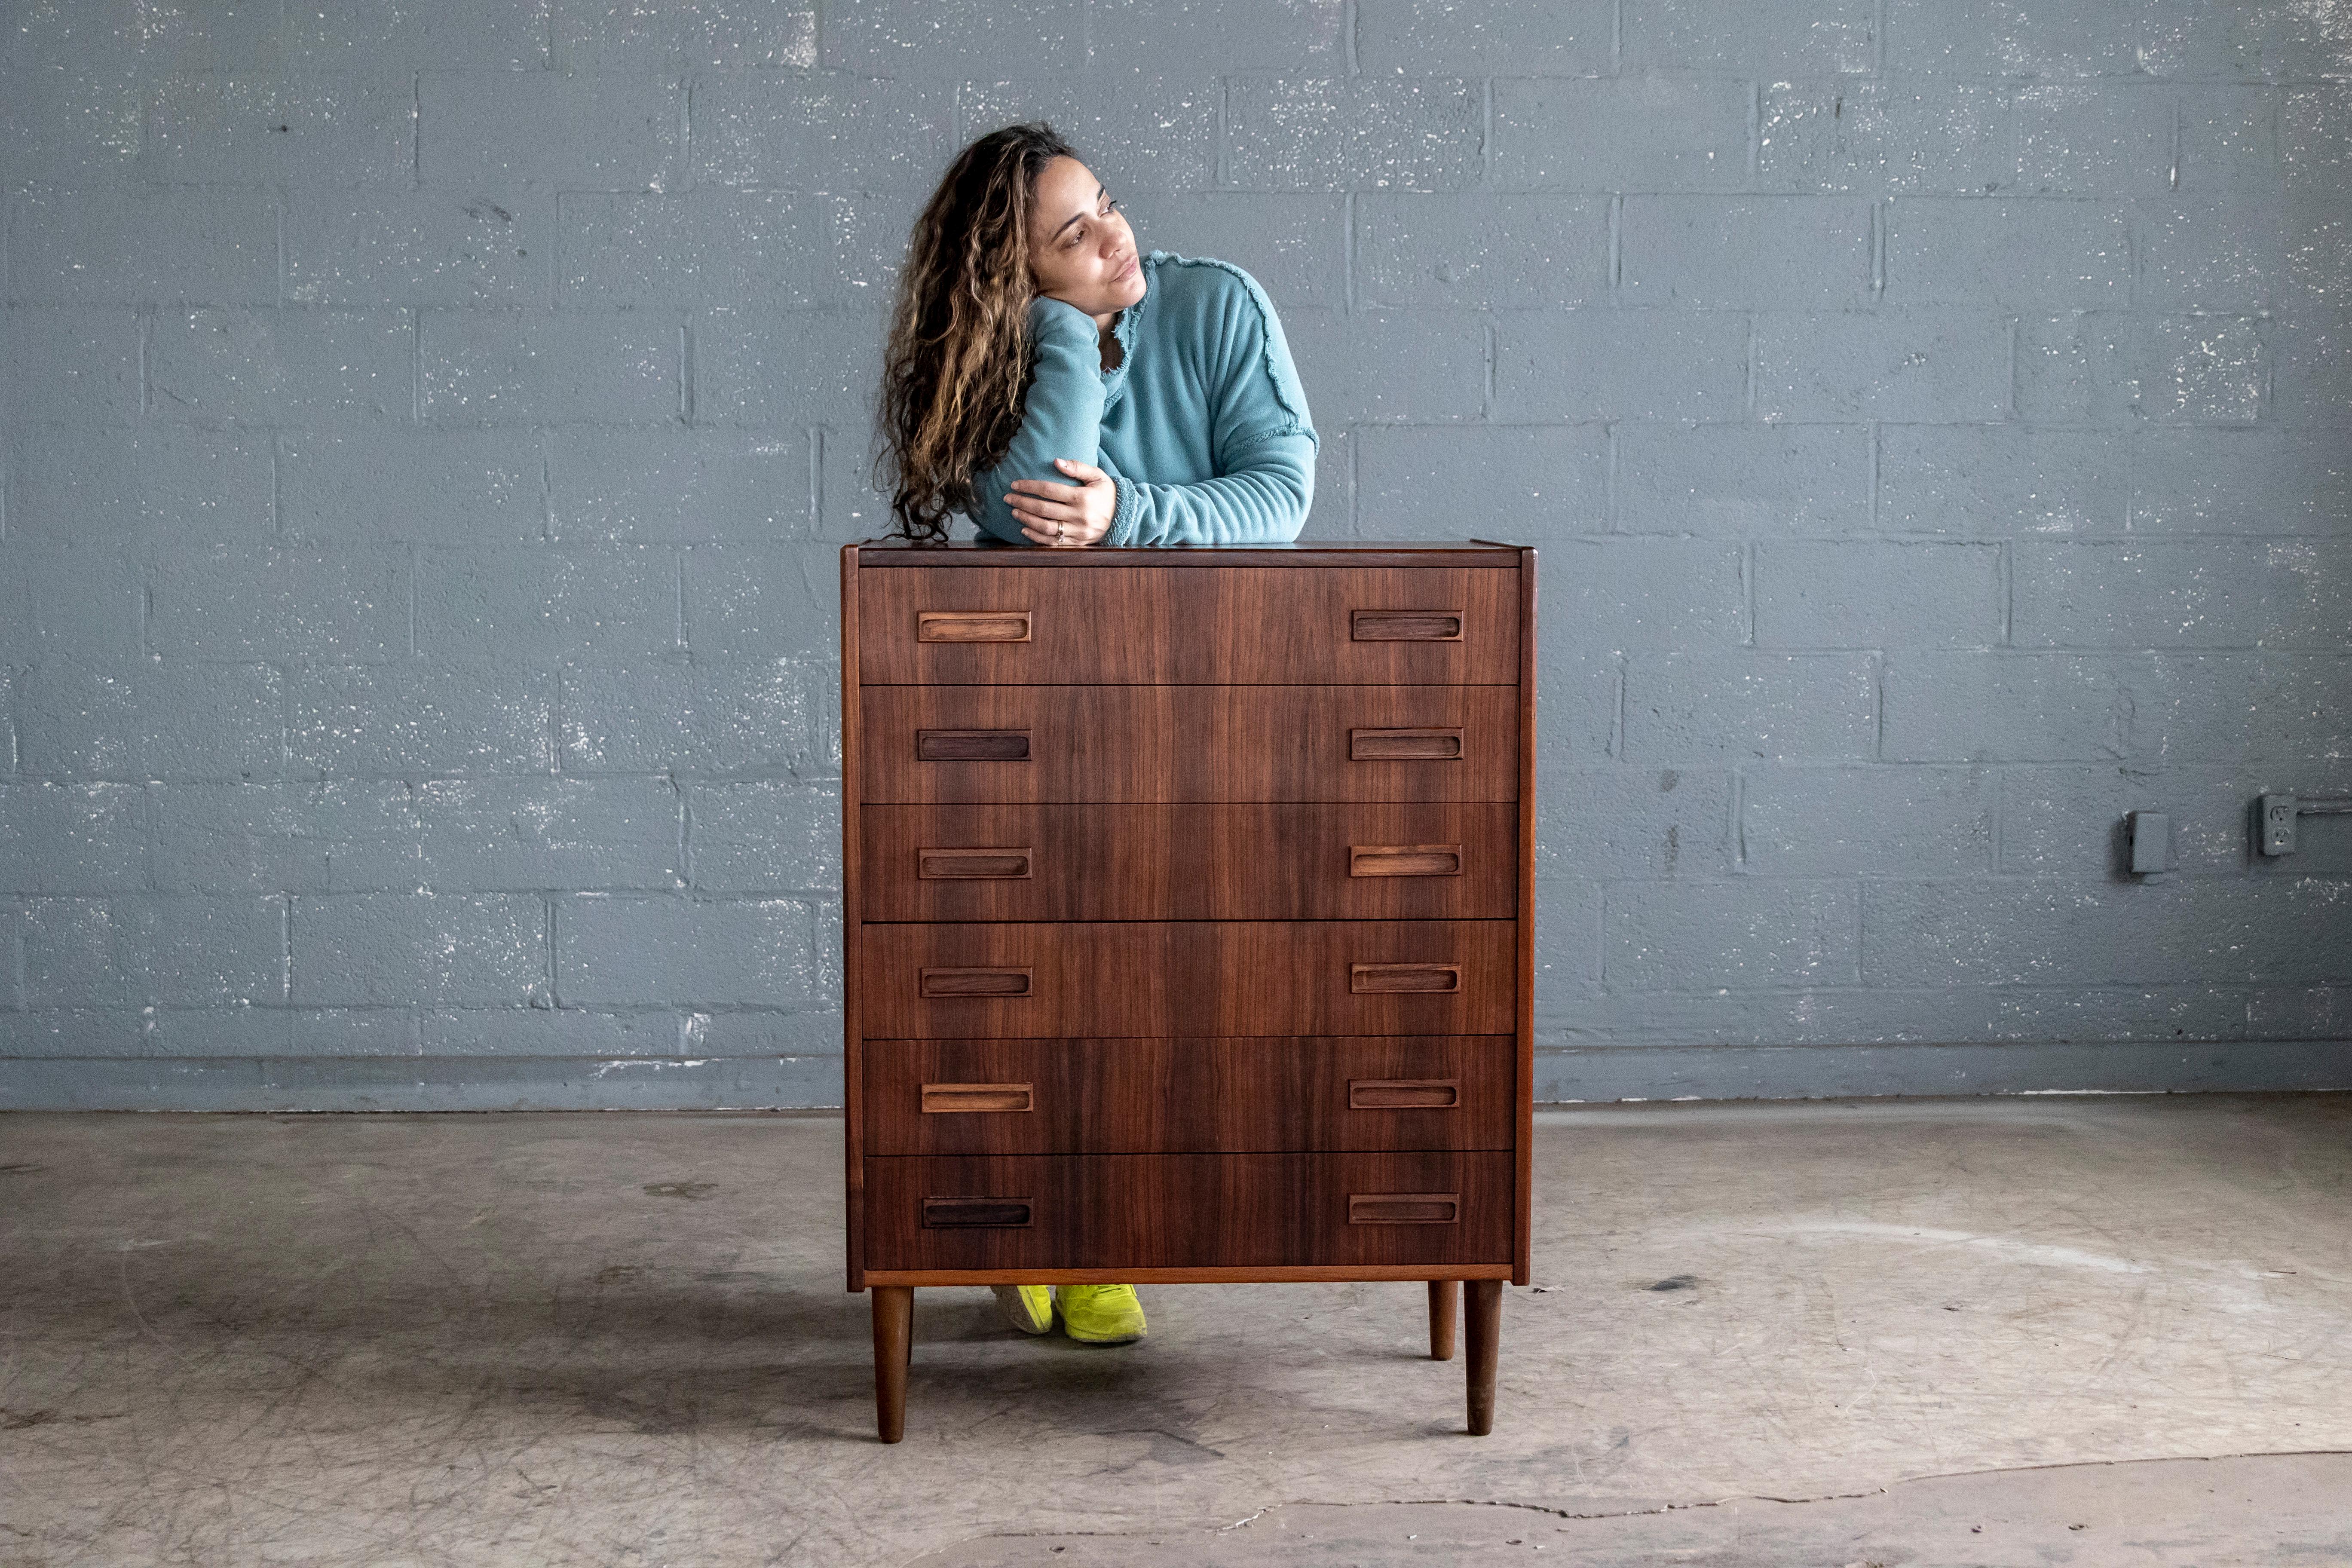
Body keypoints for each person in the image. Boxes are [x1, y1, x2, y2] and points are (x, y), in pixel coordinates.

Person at [870, 122, 1320, 1345]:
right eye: (1073, 237)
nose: (1117, 238)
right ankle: (1054, 1234)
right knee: (1032, 976)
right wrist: (1063, 333)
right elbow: (1028, 520)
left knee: (1150, 981)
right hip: (1030, 701)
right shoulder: (996, 358)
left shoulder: (1218, 307)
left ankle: (1100, 1230)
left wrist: (1129, 510)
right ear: (1009, 282)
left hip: (1199, 693)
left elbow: (1279, 494)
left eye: (1109, 205)